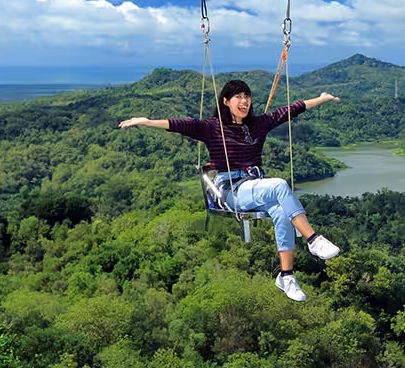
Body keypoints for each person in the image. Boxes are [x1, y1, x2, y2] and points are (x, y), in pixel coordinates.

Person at [118, 79, 341, 301]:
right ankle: (313, 240)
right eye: (238, 97)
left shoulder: (258, 124)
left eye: (247, 96)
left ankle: (286, 276)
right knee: (280, 185)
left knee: (283, 212)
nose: (244, 101)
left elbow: (291, 110)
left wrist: (321, 99)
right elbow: (180, 124)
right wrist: (147, 122)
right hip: (230, 190)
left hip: (254, 186)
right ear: (226, 101)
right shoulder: (212, 127)